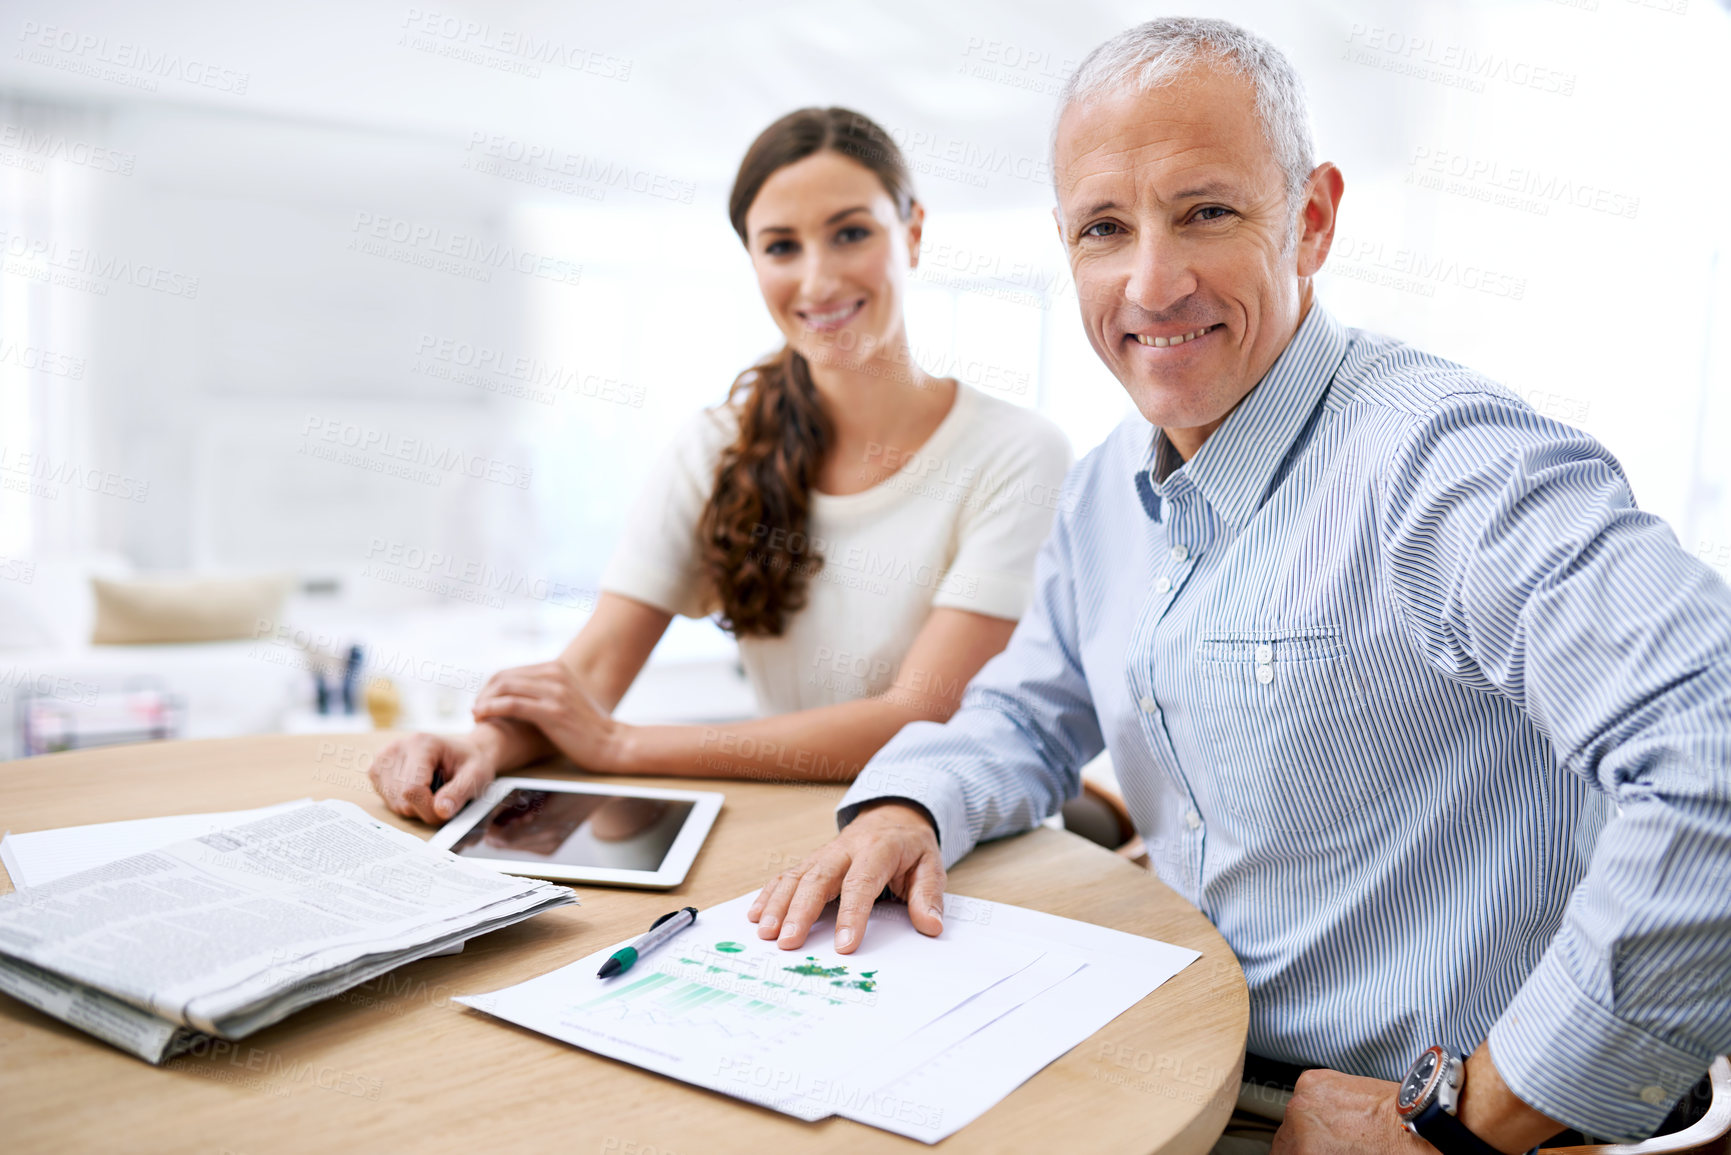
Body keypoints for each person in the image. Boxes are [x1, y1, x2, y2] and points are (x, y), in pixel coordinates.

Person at [747, 18, 1731, 1154]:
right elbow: (1026, 708)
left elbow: (1711, 747)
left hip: (1394, 1121)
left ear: (1310, 221)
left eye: (1206, 211)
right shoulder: (1111, 482)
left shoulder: (1450, 468)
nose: (1152, 283)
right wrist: (906, 803)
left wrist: (1464, 1119)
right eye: (1105, 228)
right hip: (1170, 1063)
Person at [370, 107, 1072, 826]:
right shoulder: (717, 446)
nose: (818, 279)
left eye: (851, 233)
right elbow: (594, 669)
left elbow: (919, 715)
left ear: (913, 232)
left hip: (956, 835)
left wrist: (620, 744)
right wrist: (480, 744)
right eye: (780, 247)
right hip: (794, 835)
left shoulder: (1016, 454)